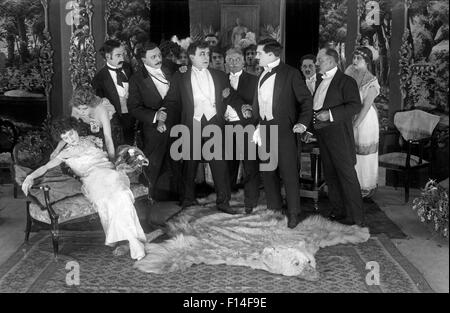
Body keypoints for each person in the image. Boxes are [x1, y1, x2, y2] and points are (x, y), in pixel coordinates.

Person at [21, 118, 147, 260]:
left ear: (76, 129)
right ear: (62, 139)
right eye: (65, 137)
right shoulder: (65, 153)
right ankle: (134, 241)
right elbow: (45, 167)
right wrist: (29, 177)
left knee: (122, 195)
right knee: (112, 199)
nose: (70, 139)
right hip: (93, 180)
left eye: (71, 134)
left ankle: (128, 239)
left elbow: (108, 150)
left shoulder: (91, 139)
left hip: (111, 173)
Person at [164, 40, 245, 214]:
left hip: (214, 122)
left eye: (208, 54)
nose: (206, 57)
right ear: (191, 56)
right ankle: (188, 199)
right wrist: (166, 121)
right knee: (189, 163)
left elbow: (232, 97)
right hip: (191, 122)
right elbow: (171, 101)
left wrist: (244, 109)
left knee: (219, 163)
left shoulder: (220, 75)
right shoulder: (180, 75)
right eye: (202, 54)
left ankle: (223, 201)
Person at [252, 39, 313, 228]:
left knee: (288, 173)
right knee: (268, 173)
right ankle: (274, 210)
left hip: (285, 130)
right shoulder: (261, 73)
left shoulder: (291, 74)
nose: (256, 56)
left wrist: (302, 124)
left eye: (259, 53)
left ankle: (294, 213)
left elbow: (306, 101)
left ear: (271, 55)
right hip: (264, 129)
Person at [313, 48, 364, 226]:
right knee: (331, 175)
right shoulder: (320, 81)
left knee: (347, 175)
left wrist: (331, 114)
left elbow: (355, 106)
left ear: (332, 61)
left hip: (339, 135)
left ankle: (356, 217)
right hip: (323, 134)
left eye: (320, 59)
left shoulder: (346, 81)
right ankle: (339, 211)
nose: (317, 62)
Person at [127, 41, 181, 201]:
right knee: (154, 164)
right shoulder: (136, 79)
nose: (159, 59)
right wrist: (156, 116)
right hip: (154, 128)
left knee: (178, 161)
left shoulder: (171, 67)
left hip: (178, 123)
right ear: (143, 60)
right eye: (153, 57)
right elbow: (134, 108)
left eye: (159, 55)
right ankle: (149, 198)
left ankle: (180, 197)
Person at [225, 47, 259, 212]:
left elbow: (257, 104)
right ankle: (226, 201)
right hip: (225, 128)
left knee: (249, 165)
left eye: (237, 59)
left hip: (247, 127)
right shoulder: (220, 80)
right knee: (228, 165)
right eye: (229, 59)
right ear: (225, 62)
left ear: (243, 61)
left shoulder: (254, 80)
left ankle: (250, 202)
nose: (233, 62)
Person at [345, 47, 380, 198]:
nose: (354, 61)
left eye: (358, 58)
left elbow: (366, 107)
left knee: (364, 154)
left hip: (365, 120)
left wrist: (355, 124)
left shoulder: (371, 81)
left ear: (367, 61)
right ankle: (350, 184)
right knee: (350, 152)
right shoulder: (350, 72)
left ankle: (364, 187)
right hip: (350, 114)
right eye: (354, 57)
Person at [50, 86, 121, 161]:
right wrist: (56, 150)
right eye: (79, 109)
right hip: (89, 127)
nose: (81, 112)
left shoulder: (101, 110)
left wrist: (112, 159)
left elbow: (108, 138)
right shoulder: (75, 108)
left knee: (106, 155)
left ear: (92, 105)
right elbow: (68, 129)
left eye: (85, 109)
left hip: (109, 127)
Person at [92, 39, 136, 145]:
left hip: (133, 116)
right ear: (108, 56)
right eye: (118, 55)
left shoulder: (128, 67)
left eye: (123, 54)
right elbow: (100, 105)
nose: (122, 58)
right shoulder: (99, 78)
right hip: (115, 122)